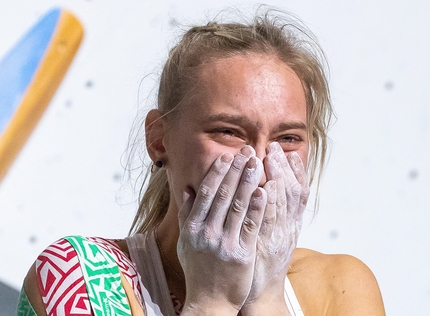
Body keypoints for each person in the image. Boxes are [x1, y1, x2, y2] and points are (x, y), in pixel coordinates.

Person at [17, 7, 385, 316]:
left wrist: (267, 298)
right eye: (228, 132)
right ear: (159, 139)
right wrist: (213, 300)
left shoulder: (340, 288)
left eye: (287, 139)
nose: (257, 163)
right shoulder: (79, 273)